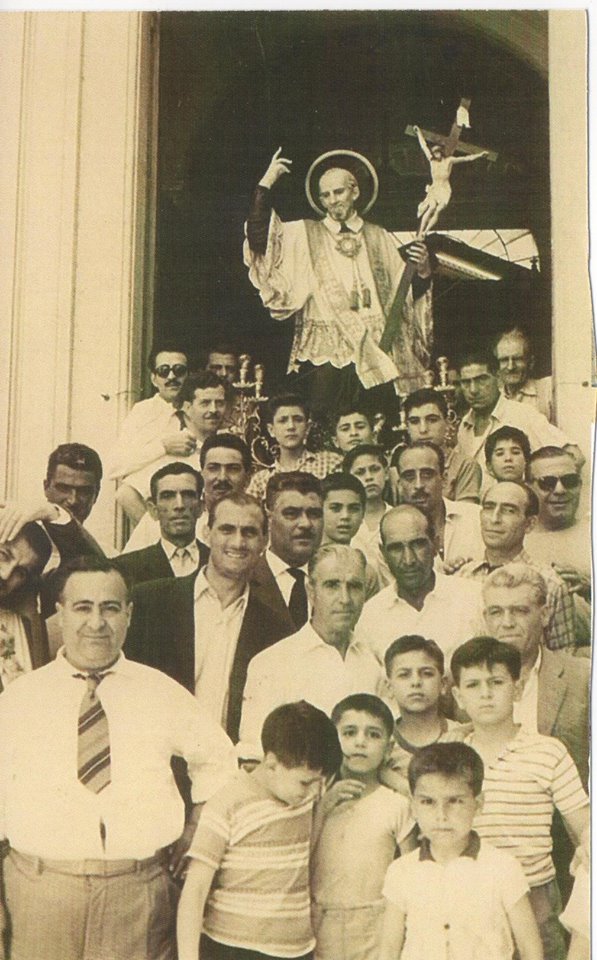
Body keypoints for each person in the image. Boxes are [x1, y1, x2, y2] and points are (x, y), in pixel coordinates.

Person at [0, 555, 237, 960]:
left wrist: (196, 828)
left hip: (137, 898)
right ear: (60, 613)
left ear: (129, 614)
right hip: (40, 895)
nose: (97, 623)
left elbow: (220, 764)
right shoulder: (21, 698)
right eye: (83, 608)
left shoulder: (161, 692)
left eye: (110, 608)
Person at [244, 149, 433, 411]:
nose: (332, 201)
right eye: (325, 195)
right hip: (328, 357)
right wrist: (266, 185)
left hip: (378, 350)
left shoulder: (378, 236)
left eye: (339, 192)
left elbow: (405, 296)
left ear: (354, 192)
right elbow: (260, 239)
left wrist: (422, 271)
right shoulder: (305, 233)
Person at [451, 636, 589, 960]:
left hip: (534, 893)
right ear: (457, 695)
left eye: (496, 682)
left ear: (518, 687)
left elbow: (583, 822)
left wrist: (588, 845)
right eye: (473, 685)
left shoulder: (548, 751)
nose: (485, 693)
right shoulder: (451, 755)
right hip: (469, 893)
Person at [177, 700, 342, 960]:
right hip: (233, 948)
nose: (314, 793)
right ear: (272, 764)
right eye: (305, 783)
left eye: (319, 783)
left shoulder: (302, 797)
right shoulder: (227, 803)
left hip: (296, 950)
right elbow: (195, 889)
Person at [125, 493, 291, 742]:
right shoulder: (149, 603)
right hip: (158, 756)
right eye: (227, 529)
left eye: (249, 532)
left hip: (231, 760)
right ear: (206, 533)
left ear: (264, 541)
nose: (238, 542)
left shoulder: (275, 628)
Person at [379, 741, 542, 960]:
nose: (441, 815)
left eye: (455, 801)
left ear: (479, 804)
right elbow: (389, 949)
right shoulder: (401, 871)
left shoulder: (503, 867)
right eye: (428, 802)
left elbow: (530, 947)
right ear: (413, 806)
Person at [239, 544, 385, 761]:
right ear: (311, 591)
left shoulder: (374, 660)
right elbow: (254, 756)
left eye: (354, 586)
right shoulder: (272, 663)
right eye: (332, 585)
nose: (345, 599)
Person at [310, 694, 416, 960]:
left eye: (373, 735)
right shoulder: (314, 798)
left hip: (376, 926)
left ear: (388, 749)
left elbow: (412, 871)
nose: (360, 742)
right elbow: (301, 854)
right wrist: (324, 807)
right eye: (349, 733)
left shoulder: (396, 805)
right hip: (319, 923)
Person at [481, 564, 589, 787]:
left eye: (520, 611)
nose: (507, 623)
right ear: (486, 617)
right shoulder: (466, 682)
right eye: (496, 612)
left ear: (545, 615)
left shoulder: (583, 678)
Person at [356, 505, 483, 667]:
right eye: (396, 548)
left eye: (417, 545)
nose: (408, 560)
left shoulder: (473, 598)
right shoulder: (370, 617)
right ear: (383, 553)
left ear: (435, 545)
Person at [457, 481, 575, 651]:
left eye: (509, 510)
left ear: (530, 524)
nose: (494, 519)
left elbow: (562, 658)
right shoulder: (462, 575)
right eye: (489, 508)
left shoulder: (552, 584)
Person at [454, 349, 580, 480]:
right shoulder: (464, 425)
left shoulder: (522, 414)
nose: (473, 389)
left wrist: (537, 486)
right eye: (466, 382)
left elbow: (575, 456)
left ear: (498, 378)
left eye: (481, 380)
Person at [121, 432, 252, 554]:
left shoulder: (256, 522)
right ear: (202, 474)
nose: (222, 477)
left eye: (233, 469)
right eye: (213, 468)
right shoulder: (162, 520)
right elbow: (127, 566)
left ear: (247, 478)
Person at [107, 341, 192, 522]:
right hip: (154, 501)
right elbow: (115, 466)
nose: (171, 376)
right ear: (154, 379)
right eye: (163, 371)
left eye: (179, 370)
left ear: (188, 375)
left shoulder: (199, 408)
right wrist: (163, 447)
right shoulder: (142, 412)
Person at [122, 370, 231, 508]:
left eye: (220, 403)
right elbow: (125, 494)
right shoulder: (177, 448)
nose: (214, 410)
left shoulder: (227, 449)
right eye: (205, 403)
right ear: (187, 408)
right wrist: (152, 522)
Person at [380, 635, 463, 797]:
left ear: (443, 684)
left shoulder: (461, 737)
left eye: (426, 673)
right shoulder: (382, 743)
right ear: (389, 687)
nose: (416, 682)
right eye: (404, 675)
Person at [114, 463, 209, 588]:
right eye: (167, 496)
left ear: (201, 507)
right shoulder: (126, 568)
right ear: (153, 509)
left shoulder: (217, 561)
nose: (179, 505)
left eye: (188, 495)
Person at [251, 472, 324, 632]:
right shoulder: (245, 579)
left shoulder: (336, 580)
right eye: (291, 514)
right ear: (268, 517)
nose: (305, 524)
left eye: (314, 514)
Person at [393, 441, 484, 564]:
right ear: (399, 485)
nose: (418, 485)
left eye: (427, 475)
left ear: (444, 478)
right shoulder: (390, 531)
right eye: (409, 477)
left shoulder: (476, 518)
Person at [525, 447, 590, 608]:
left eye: (570, 481)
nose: (560, 490)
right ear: (528, 488)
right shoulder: (513, 539)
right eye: (548, 483)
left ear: (580, 484)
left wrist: (591, 589)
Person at [247, 394, 342, 502]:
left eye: (298, 420)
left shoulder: (331, 464)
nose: (291, 426)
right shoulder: (260, 480)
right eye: (283, 421)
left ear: (307, 427)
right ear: (271, 430)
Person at [403, 387, 482, 502]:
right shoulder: (401, 466)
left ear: (447, 422)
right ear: (407, 427)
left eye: (432, 420)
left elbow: (466, 511)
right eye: (415, 422)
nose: (423, 429)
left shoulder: (464, 466)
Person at [0, 522, 53, 684]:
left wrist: (51, 514)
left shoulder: (27, 618)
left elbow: (92, 568)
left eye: (20, 572)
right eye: (3, 555)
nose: (6, 574)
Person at [412, 125, 489, 236]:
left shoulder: (448, 161)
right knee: (431, 208)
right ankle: (420, 232)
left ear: (441, 153)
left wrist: (480, 155)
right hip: (435, 189)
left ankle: (426, 231)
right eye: (435, 153)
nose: (436, 155)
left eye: (438, 153)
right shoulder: (432, 161)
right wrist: (419, 132)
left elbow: (466, 158)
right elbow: (424, 146)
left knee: (438, 210)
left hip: (444, 190)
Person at [320, 473, 380, 598]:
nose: (345, 516)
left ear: (363, 514)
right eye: (335, 508)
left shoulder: (366, 573)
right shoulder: (302, 562)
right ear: (319, 511)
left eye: (354, 509)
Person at [343, 444, 392, 582]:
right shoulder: (345, 523)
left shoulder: (399, 518)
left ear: (386, 473)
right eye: (360, 472)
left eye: (375, 469)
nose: (369, 477)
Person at [493, 327, 554, 422]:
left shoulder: (548, 390)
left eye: (517, 359)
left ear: (531, 362)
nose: (510, 367)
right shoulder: (493, 398)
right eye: (504, 360)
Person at [44, 442, 103, 525]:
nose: (73, 501)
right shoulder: (26, 531)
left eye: (83, 491)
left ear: (96, 495)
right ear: (46, 487)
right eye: (64, 488)